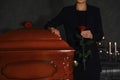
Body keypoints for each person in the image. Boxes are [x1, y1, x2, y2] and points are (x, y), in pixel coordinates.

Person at [44, 0, 104, 80]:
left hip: (92, 59)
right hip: (73, 58)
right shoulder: (66, 11)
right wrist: (52, 28)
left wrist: (92, 35)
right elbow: (48, 24)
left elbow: (100, 35)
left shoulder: (95, 11)